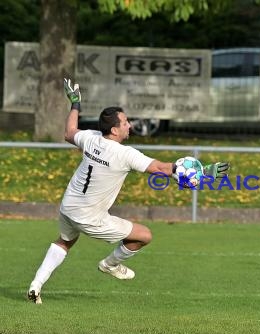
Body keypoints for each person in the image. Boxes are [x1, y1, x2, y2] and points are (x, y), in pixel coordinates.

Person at [27, 78, 229, 304]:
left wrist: (75, 103)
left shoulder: (91, 138)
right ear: (114, 129)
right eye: (125, 122)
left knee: (64, 242)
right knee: (144, 236)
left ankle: (36, 285)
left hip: (68, 207)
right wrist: (204, 172)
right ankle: (109, 264)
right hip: (89, 217)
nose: (130, 125)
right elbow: (163, 168)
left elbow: (69, 132)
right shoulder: (125, 154)